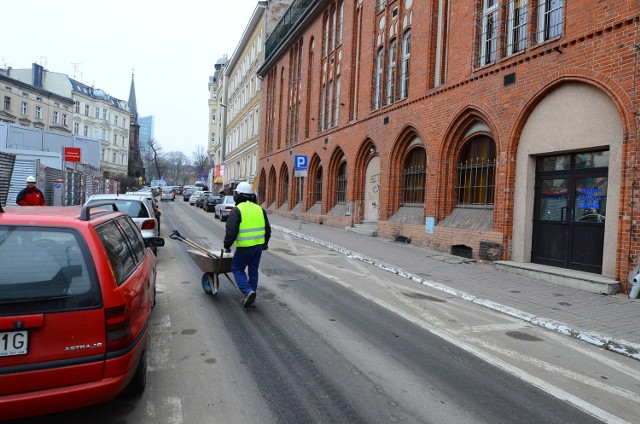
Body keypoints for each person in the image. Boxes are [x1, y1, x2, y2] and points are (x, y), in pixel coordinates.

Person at [224, 181, 271, 308]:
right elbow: (267, 229)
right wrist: (265, 243)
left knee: (237, 269)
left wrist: (227, 245)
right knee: (253, 270)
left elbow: (231, 230)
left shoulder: (237, 210)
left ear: (238, 195)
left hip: (244, 246)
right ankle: (251, 296)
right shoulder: (260, 209)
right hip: (258, 247)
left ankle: (247, 291)